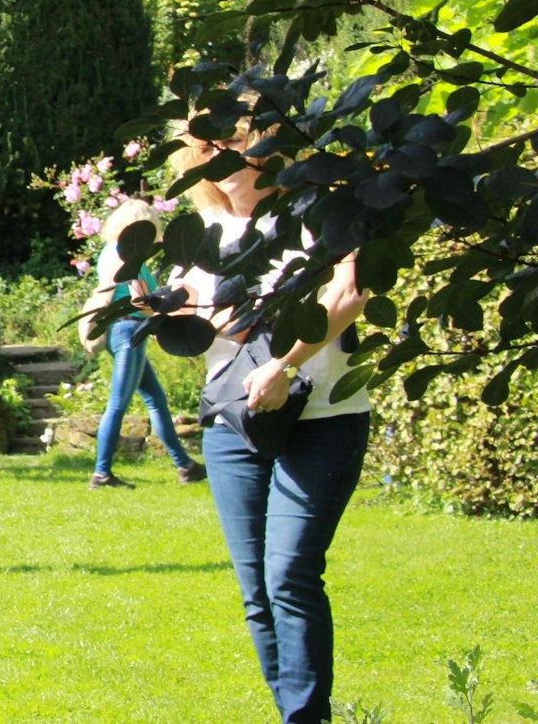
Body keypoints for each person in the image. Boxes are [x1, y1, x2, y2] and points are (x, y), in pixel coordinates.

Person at [174, 124, 370, 723]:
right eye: (205, 149)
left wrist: (285, 363)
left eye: (230, 143)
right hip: (234, 423)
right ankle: (297, 715)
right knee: (257, 591)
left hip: (323, 417)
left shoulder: (315, 211)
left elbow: (351, 292)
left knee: (290, 573)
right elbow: (199, 327)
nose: (219, 158)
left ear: (263, 147)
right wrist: (165, 310)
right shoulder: (203, 236)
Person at [84, 199, 205, 490]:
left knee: (156, 400)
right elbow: (139, 299)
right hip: (128, 332)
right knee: (118, 403)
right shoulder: (123, 255)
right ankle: (101, 474)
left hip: (126, 331)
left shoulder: (110, 252)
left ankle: (185, 466)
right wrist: (166, 310)